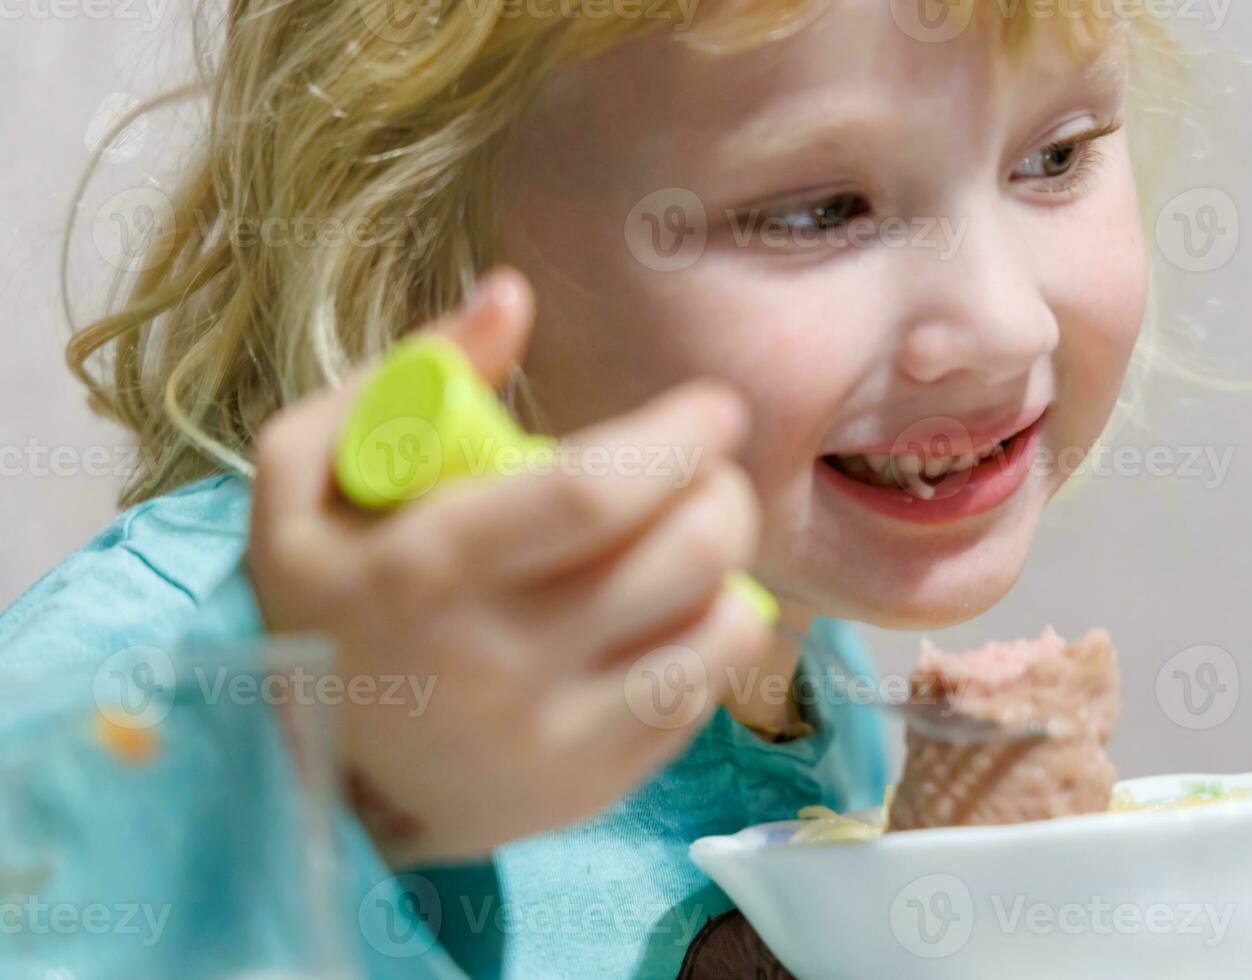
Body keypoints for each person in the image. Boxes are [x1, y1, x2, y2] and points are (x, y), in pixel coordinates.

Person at [0, 0, 1183, 974]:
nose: (999, 320)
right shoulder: (176, 658)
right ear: (418, 244)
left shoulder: (799, 664)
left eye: (1056, 155)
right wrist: (329, 782)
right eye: (819, 210)